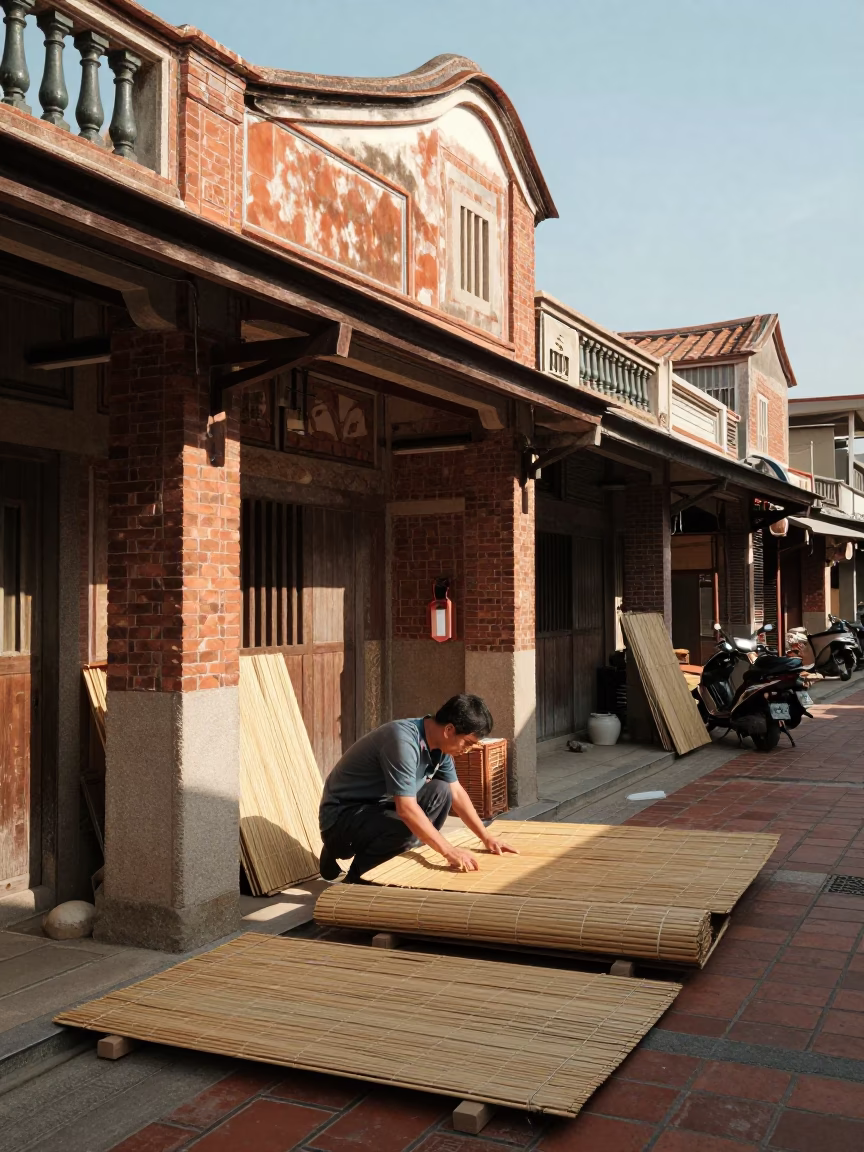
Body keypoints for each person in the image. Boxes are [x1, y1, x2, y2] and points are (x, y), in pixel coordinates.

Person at [318, 694, 517, 884]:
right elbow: (405, 809)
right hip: (341, 819)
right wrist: (449, 851)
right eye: (468, 742)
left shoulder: (440, 746)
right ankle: (357, 879)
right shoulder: (402, 742)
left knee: (441, 791)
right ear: (449, 730)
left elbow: (456, 792)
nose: (468, 749)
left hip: (377, 809)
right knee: (410, 825)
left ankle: (394, 855)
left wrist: (487, 837)